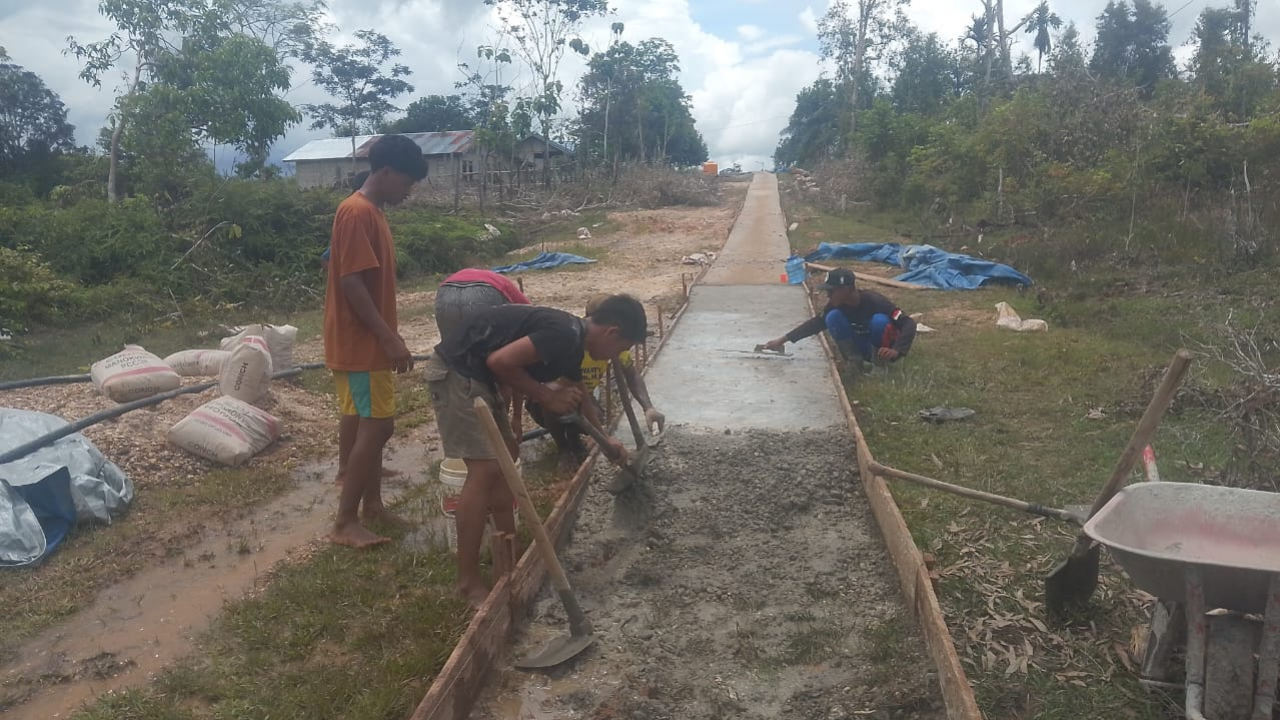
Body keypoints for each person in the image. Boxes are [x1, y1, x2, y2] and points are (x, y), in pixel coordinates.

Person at [425, 295, 645, 605]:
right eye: (620, 349)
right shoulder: (563, 332)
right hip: (457, 374)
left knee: (506, 459)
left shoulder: (574, 343)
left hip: (478, 379)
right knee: (485, 469)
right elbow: (499, 362)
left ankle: (508, 561)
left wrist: (605, 440)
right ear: (612, 332)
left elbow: (579, 392)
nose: (614, 357)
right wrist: (545, 395)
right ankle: (467, 581)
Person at [324, 135, 427, 548]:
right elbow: (351, 282)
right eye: (407, 181)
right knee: (380, 425)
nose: (409, 190)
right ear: (385, 173)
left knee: (365, 421)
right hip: (362, 341)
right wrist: (388, 337)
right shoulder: (355, 213)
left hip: (361, 340)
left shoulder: (373, 213)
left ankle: (373, 506)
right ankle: (345, 523)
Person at [526, 294, 665, 471]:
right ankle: (564, 449)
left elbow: (632, 376)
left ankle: (575, 440)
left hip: (583, 396)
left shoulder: (614, 346)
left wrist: (648, 407)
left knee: (596, 414)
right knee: (558, 406)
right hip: (547, 398)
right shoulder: (571, 345)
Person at [763, 268, 917, 366]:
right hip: (862, 345)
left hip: (883, 350)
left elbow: (908, 323)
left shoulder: (874, 301)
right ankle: (854, 360)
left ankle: (880, 364)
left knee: (879, 321)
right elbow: (815, 324)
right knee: (832, 317)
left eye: (832, 291)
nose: (828, 295)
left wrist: (897, 350)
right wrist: (782, 340)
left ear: (847, 289)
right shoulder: (836, 305)